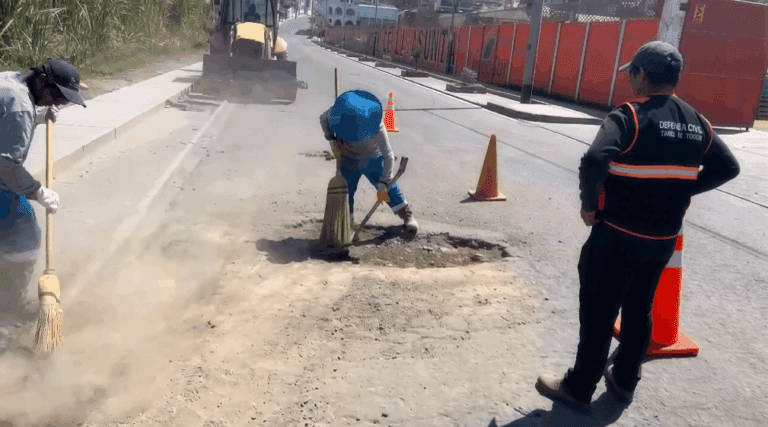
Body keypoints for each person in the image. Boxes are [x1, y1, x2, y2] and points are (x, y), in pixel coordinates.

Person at [535, 41, 740, 413]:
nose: (630, 78)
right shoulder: (697, 122)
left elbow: (595, 158)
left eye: (632, 71)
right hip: (661, 240)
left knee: (599, 314)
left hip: (616, 237)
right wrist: (681, 188)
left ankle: (579, 388)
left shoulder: (628, 116)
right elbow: (729, 167)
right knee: (639, 309)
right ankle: (625, 381)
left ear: (642, 74)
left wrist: (588, 206)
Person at [0, 58, 87, 331]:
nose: (59, 103)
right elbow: (6, 165)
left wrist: (35, 119)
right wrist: (37, 192)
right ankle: (9, 311)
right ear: (40, 81)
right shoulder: (20, 108)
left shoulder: (10, 81)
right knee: (25, 239)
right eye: (58, 96)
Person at [319, 89, 418, 234]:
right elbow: (323, 118)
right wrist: (332, 139)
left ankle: (407, 216)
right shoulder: (337, 113)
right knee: (346, 191)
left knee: (390, 188)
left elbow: (388, 155)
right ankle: (346, 224)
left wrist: (384, 183)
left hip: (373, 159)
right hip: (348, 158)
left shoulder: (376, 126)